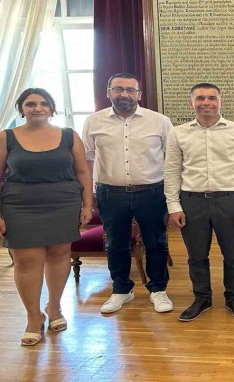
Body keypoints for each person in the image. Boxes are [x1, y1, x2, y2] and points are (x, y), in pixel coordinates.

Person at [0, 88, 93, 346]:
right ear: (21, 109)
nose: (37, 108)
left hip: (63, 203)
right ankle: (33, 316)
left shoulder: (69, 135)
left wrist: (87, 204)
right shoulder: (5, 138)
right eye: (30, 104)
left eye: (44, 103)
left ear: (52, 108)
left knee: (59, 255)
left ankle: (54, 308)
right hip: (20, 206)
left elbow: (83, 172)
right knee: (26, 261)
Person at [165, 83, 234, 321]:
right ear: (191, 103)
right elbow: (172, 171)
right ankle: (202, 298)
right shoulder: (178, 133)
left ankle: (233, 297)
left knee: (233, 254)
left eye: (211, 98)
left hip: (229, 200)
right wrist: (173, 206)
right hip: (192, 201)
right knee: (196, 255)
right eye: (200, 98)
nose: (206, 103)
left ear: (220, 102)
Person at [83, 73, 174, 314]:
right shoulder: (93, 121)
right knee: (115, 244)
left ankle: (158, 289)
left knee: (156, 242)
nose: (124, 94)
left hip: (152, 192)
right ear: (108, 92)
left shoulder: (159, 121)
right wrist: (89, 195)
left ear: (139, 94)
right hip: (110, 193)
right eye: (118, 89)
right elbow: (87, 160)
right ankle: (122, 289)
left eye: (130, 90)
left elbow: (172, 159)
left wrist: (171, 194)